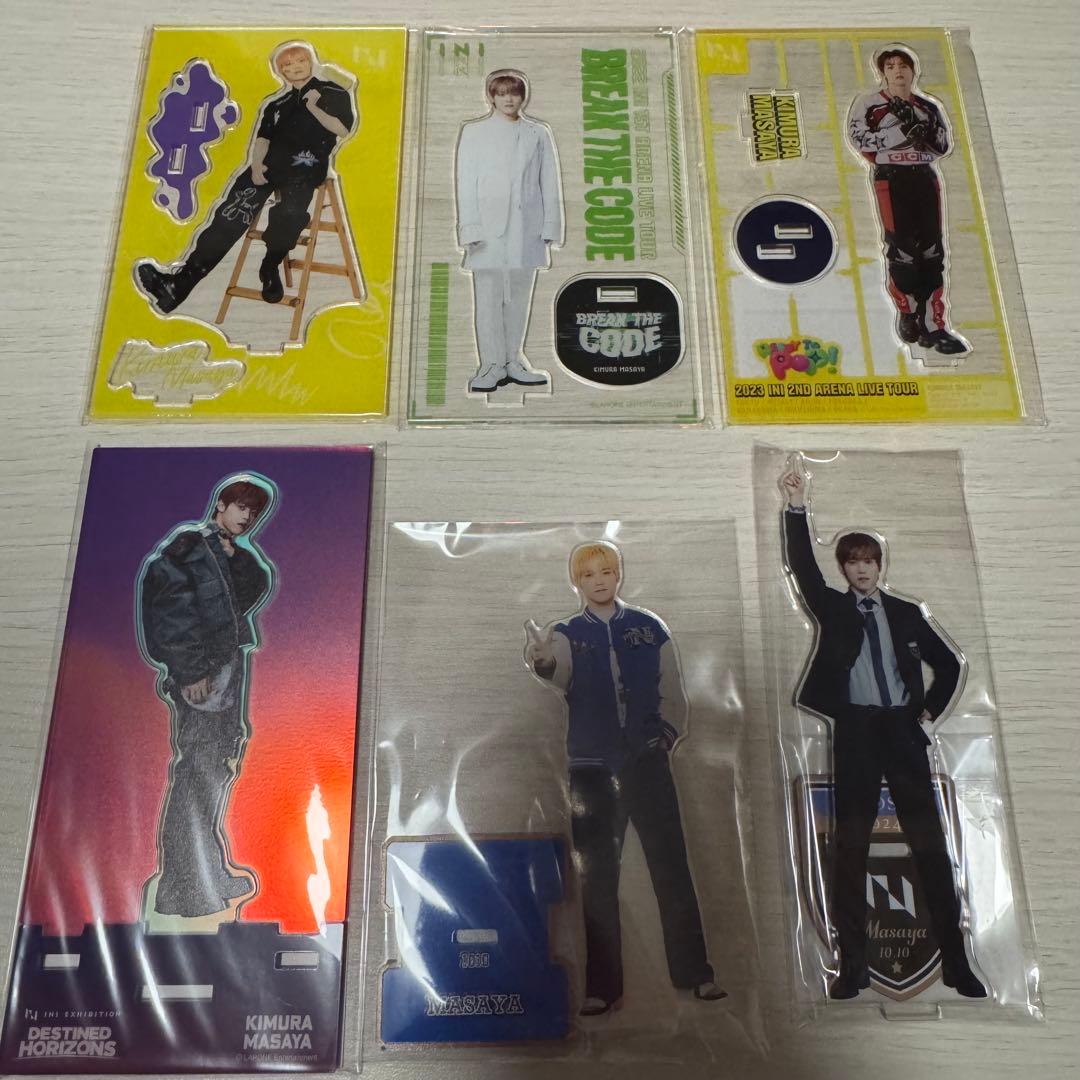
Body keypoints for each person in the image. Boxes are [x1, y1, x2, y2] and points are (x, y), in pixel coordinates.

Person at [780, 462, 987, 1000]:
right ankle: (852, 966)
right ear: (844, 569)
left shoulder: (906, 612)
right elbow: (802, 567)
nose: (862, 569)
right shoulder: (833, 609)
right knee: (851, 845)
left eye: (869, 561)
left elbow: (950, 666)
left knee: (930, 844)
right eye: (853, 562)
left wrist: (926, 717)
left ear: (880, 564)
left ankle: (957, 962)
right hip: (856, 731)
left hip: (901, 731)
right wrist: (797, 506)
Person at [525, 541, 725, 1016]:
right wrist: (542, 658)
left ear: (619, 575)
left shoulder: (649, 627)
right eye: (588, 574)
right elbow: (558, 674)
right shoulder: (567, 634)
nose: (599, 581)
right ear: (576, 582)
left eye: (607, 571)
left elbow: (672, 689)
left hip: (646, 763)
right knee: (597, 879)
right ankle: (602, 988)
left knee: (671, 868)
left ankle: (696, 974)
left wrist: (665, 738)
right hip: (591, 769)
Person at [137, 476, 274, 918]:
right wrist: (190, 670)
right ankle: (186, 888)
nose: (247, 516)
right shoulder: (190, 547)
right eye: (241, 507)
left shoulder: (225, 553)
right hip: (202, 680)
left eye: (254, 511)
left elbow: (251, 591)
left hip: (225, 677)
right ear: (220, 505)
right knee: (197, 774)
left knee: (212, 773)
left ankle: (206, 872)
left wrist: (235, 559)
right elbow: (171, 612)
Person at [137, 42, 355, 312]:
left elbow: (343, 129)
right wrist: (256, 166)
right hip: (269, 167)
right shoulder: (277, 104)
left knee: (289, 214)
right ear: (280, 72)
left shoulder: (332, 92)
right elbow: (263, 139)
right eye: (287, 65)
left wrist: (314, 107)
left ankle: (270, 266)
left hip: (305, 169)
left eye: (300, 61)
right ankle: (178, 285)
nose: (295, 68)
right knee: (229, 215)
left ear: (310, 62)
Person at [847, 47, 967, 356]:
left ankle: (934, 325)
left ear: (914, 71)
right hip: (891, 178)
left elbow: (943, 145)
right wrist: (898, 131)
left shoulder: (928, 106)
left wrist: (922, 131)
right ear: (882, 72)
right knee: (901, 250)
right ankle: (907, 312)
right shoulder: (869, 104)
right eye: (891, 66)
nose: (898, 71)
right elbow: (859, 139)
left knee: (932, 251)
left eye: (904, 65)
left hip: (924, 176)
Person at [455, 70, 563, 394]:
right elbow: (466, 181)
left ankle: (513, 361)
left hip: (526, 228)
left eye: (514, 93)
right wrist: (470, 227)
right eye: (501, 93)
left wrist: (550, 226)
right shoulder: (474, 132)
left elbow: (549, 181)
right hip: (486, 229)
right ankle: (491, 365)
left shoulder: (537, 133)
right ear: (491, 97)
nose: (508, 99)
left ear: (522, 97)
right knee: (488, 297)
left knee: (517, 297)